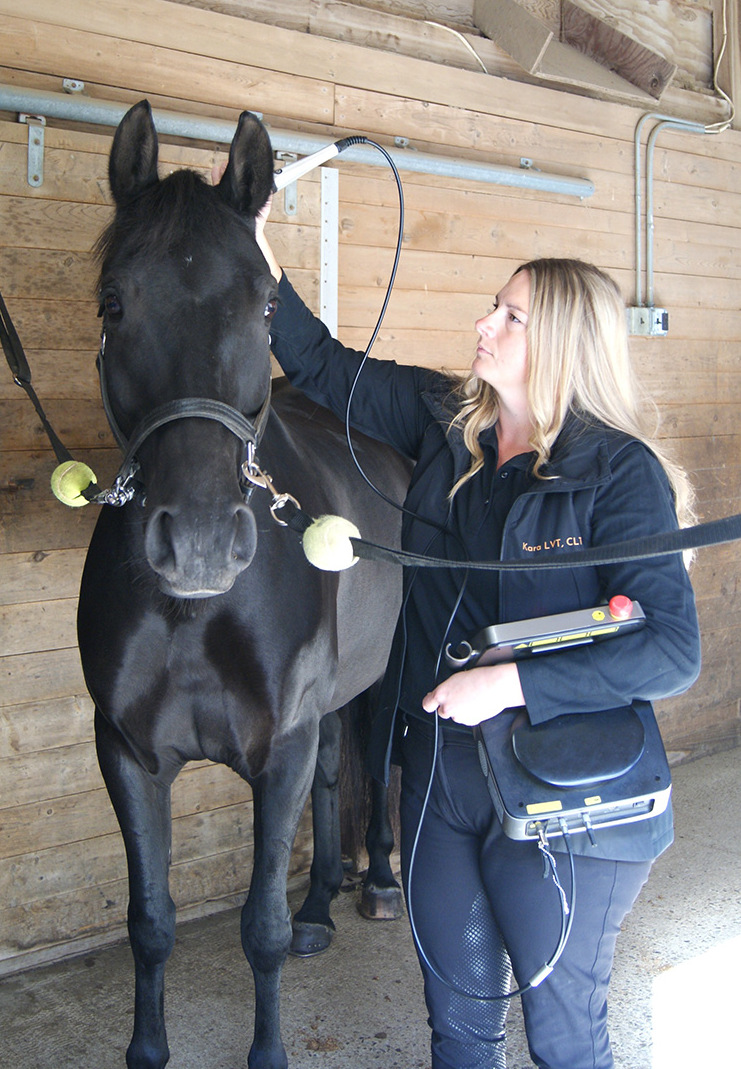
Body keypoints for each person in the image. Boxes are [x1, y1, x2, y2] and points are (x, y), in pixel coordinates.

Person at [255, 205, 700, 1069]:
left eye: (510, 316)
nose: (482, 325)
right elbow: (316, 362)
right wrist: (253, 234)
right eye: (491, 308)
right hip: (439, 783)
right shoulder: (443, 419)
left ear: (564, 341)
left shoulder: (620, 475)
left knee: (565, 1042)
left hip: (567, 791)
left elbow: (672, 651)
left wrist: (512, 684)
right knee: (457, 1034)